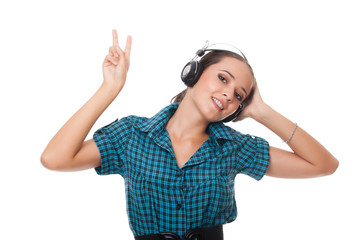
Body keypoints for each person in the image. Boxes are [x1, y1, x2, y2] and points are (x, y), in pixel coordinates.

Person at [41, 29, 339, 240]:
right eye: (223, 78)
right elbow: (55, 159)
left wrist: (261, 111)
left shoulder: (233, 147)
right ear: (193, 73)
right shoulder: (131, 135)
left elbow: (324, 165)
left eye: (239, 94)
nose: (228, 93)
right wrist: (110, 89)